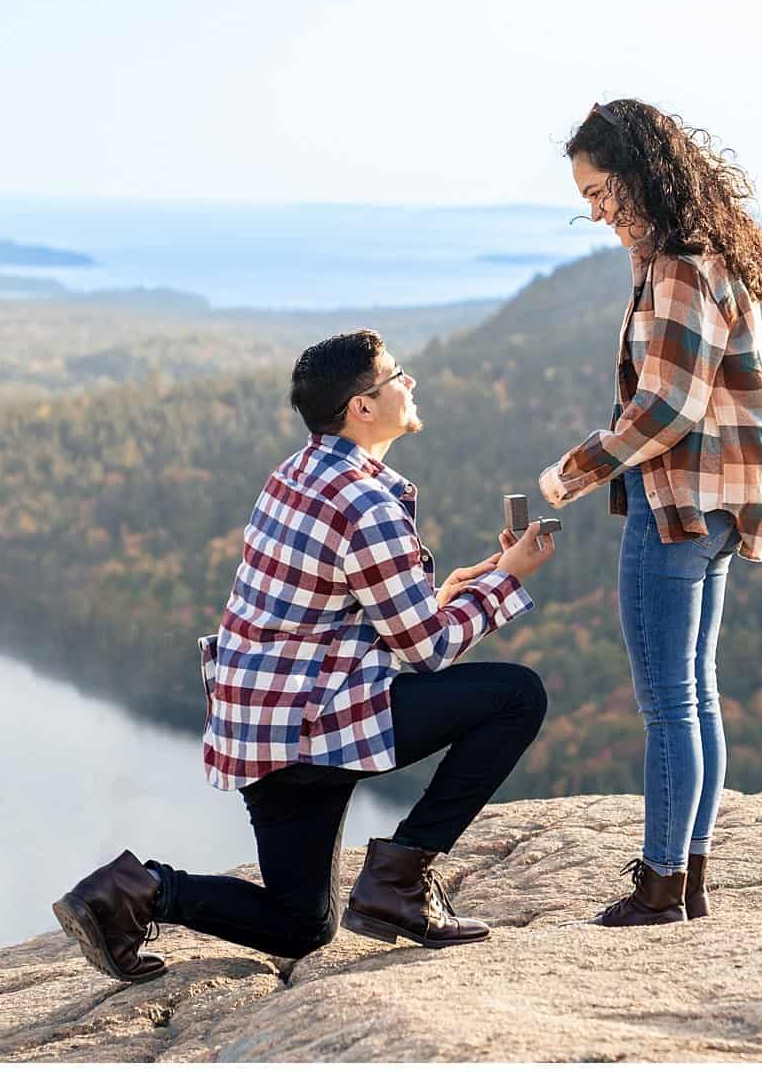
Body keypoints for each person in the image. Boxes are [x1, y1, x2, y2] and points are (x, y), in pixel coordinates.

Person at [52, 329, 557, 983]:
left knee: (301, 925)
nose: (411, 383)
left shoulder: (294, 474)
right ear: (363, 408)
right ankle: (401, 880)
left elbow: (332, 612)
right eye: (397, 375)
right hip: (316, 725)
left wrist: (448, 589)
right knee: (517, 697)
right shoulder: (367, 501)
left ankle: (136, 891)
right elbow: (427, 650)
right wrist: (507, 578)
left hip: (261, 726)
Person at [537, 99, 762, 927]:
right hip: (715, 505)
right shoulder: (698, 253)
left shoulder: (680, 264)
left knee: (668, 702)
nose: (598, 212)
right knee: (696, 695)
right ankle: (691, 876)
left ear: (644, 174)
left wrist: (580, 466)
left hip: (675, 505)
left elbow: (668, 409)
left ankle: (662, 883)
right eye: (588, 198)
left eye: (603, 191)